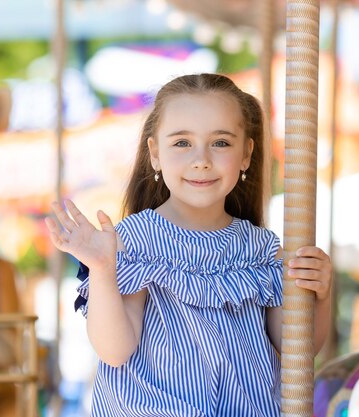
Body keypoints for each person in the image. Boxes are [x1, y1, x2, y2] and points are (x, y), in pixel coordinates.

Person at [45, 73, 332, 417]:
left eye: (221, 143)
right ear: (155, 154)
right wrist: (103, 269)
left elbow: (296, 347)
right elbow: (115, 350)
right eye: (182, 143)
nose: (201, 159)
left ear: (246, 154)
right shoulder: (135, 240)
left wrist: (321, 294)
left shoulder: (260, 249)